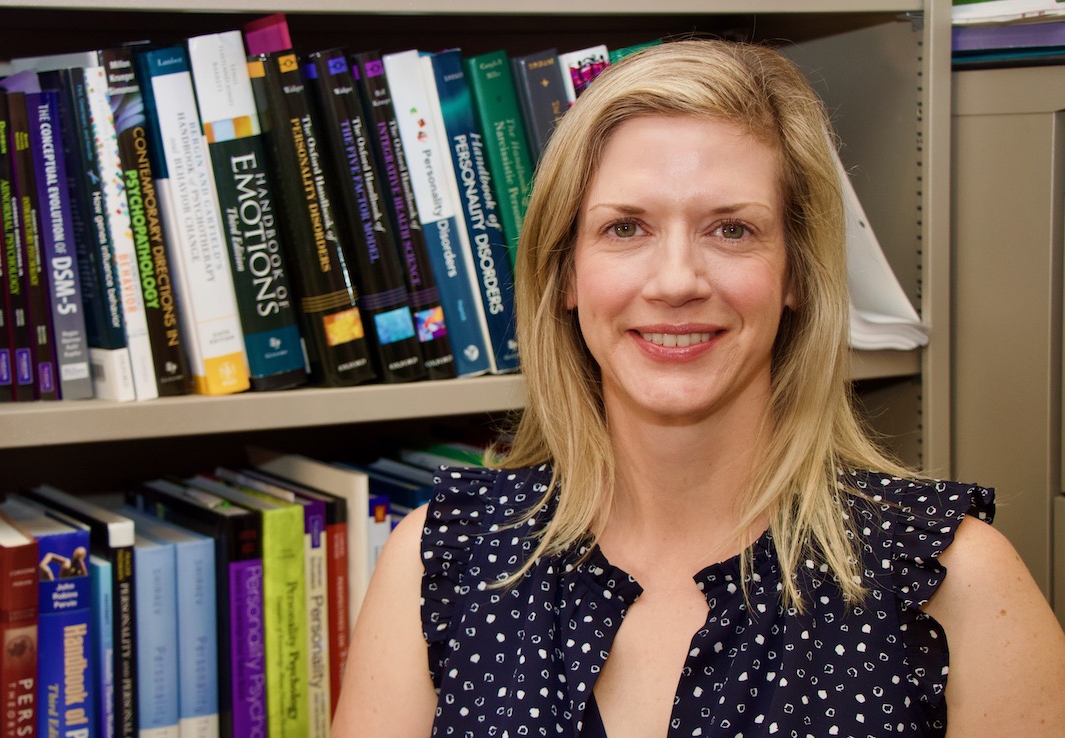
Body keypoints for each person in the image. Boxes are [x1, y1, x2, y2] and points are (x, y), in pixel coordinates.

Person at [330, 39, 1065, 738]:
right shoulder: (441, 562)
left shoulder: (956, 581)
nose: (677, 281)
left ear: (798, 278)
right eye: (625, 229)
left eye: (732, 230)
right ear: (564, 276)